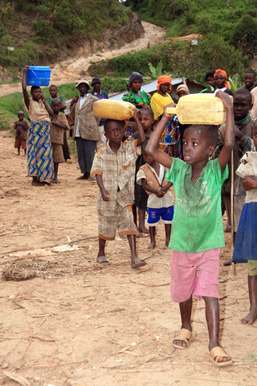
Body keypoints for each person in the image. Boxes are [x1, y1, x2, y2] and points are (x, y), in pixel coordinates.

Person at [146, 91, 235, 367]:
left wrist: (229, 110)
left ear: (210, 150)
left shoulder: (215, 171)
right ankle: (186, 326)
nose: (186, 148)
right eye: (185, 142)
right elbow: (150, 151)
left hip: (209, 244)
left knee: (210, 292)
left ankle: (214, 343)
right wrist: (166, 117)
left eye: (194, 143)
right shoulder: (179, 169)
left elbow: (229, 143)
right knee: (184, 291)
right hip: (183, 244)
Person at [90, 111, 146, 268]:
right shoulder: (101, 151)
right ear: (106, 134)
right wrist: (102, 190)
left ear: (124, 131)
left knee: (129, 222)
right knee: (105, 224)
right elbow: (97, 172)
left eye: (119, 130)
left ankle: (134, 257)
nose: (116, 133)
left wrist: (135, 118)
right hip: (106, 197)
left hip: (124, 195)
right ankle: (101, 253)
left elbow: (142, 139)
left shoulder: (129, 148)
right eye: (112, 131)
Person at [218, 88, 256, 234]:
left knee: (241, 221)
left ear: (251, 106)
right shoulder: (223, 127)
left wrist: (238, 135)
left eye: (243, 105)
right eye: (236, 105)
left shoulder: (253, 126)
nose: (239, 108)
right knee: (231, 220)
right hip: (226, 179)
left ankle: (240, 254)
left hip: (244, 183)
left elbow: (252, 151)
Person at [232, 125, 257, 325]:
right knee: (253, 263)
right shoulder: (248, 158)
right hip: (253, 212)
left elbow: (253, 182)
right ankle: (253, 307)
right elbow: (247, 182)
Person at [137, 139, 174, 249]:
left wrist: (166, 188)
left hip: (167, 199)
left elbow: (172, 178)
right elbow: (144, 184)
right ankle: (152, 241)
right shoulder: (143, 169)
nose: (147, 158)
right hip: (153, 200)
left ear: (157, 152)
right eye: (145, 155)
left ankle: (168, 240)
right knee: (152, 222)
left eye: (150, 155)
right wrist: (156, 191)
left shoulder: (165, 166)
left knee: (168, 221)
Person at [22, 65, 54, 186]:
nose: (38, 93)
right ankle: (35, 180)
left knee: (45, 154)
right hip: (36, 131)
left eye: (40, 91)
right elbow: (24, 89)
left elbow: (51, 114)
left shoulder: (42, 103)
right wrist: (24, 74)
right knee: (35, 154)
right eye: (36, 92)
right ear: (32, 93)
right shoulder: (29, 102)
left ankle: (44, 178)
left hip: (45, 131)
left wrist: (45, 102)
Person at [69, 79, 100, 180]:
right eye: (80, 87)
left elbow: (98, 114)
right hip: (78, 130)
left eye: (84, 87)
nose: (82, 88)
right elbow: (72, 114)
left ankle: (92, 173)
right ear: (78, 88)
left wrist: (93, 124)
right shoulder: (77, 100)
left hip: (89, 129)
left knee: (89, 152)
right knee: (81, 153)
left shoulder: (93, 99)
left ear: (87, 88)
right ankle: (85, 172)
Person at [133, 106, 154, 234]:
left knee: (144, 197)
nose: (142, 122)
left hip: (148, 169)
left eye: (146, 119)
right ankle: (134, 225)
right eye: (139, 119)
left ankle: (142, 224)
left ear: (152, 120)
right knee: (136, 197)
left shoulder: (154, 135)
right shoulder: (136, 135)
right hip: (136, 168)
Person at [122, 71, 151, 138]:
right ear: (130, 84)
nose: (137, 84)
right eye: (135, 82)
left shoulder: (145, 94)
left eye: (139, 83)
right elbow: (130, 109)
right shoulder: (128, 96)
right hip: (133, 124)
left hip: (145, 124)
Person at [46, 85, 71, 162]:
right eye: (51, 90)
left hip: (60, 119)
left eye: (54, 90)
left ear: (57, 91)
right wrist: (59, 106)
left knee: (63, 140)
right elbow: (48, 108)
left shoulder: (61, 97)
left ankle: (66, 156)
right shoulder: (48, 99)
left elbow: (64, 106)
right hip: (52, 119)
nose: (52, 92)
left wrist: (55, 107)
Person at [50, 98, 70, 183]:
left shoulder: (62, 116)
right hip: (48, 141)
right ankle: (48, 176)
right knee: (48, 159)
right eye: (54, 106)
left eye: (57, 106)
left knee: (56, 161)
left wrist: (54, 123)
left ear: (60, 106)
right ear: (51, 106)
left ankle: (55, 177)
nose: (55, 107)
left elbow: (66, 126)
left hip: (58, 141)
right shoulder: (48, 115)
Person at [89, 77, 109, 148]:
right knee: (93, 139)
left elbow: (107, 104)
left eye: (98, 84)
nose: (96, 85)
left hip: (103, 119)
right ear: (93, 85)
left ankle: (100, 153)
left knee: (102, 138)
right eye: (95, 84)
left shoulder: (104, 93)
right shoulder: (90, 94)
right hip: (93, 119)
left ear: (100, 84)